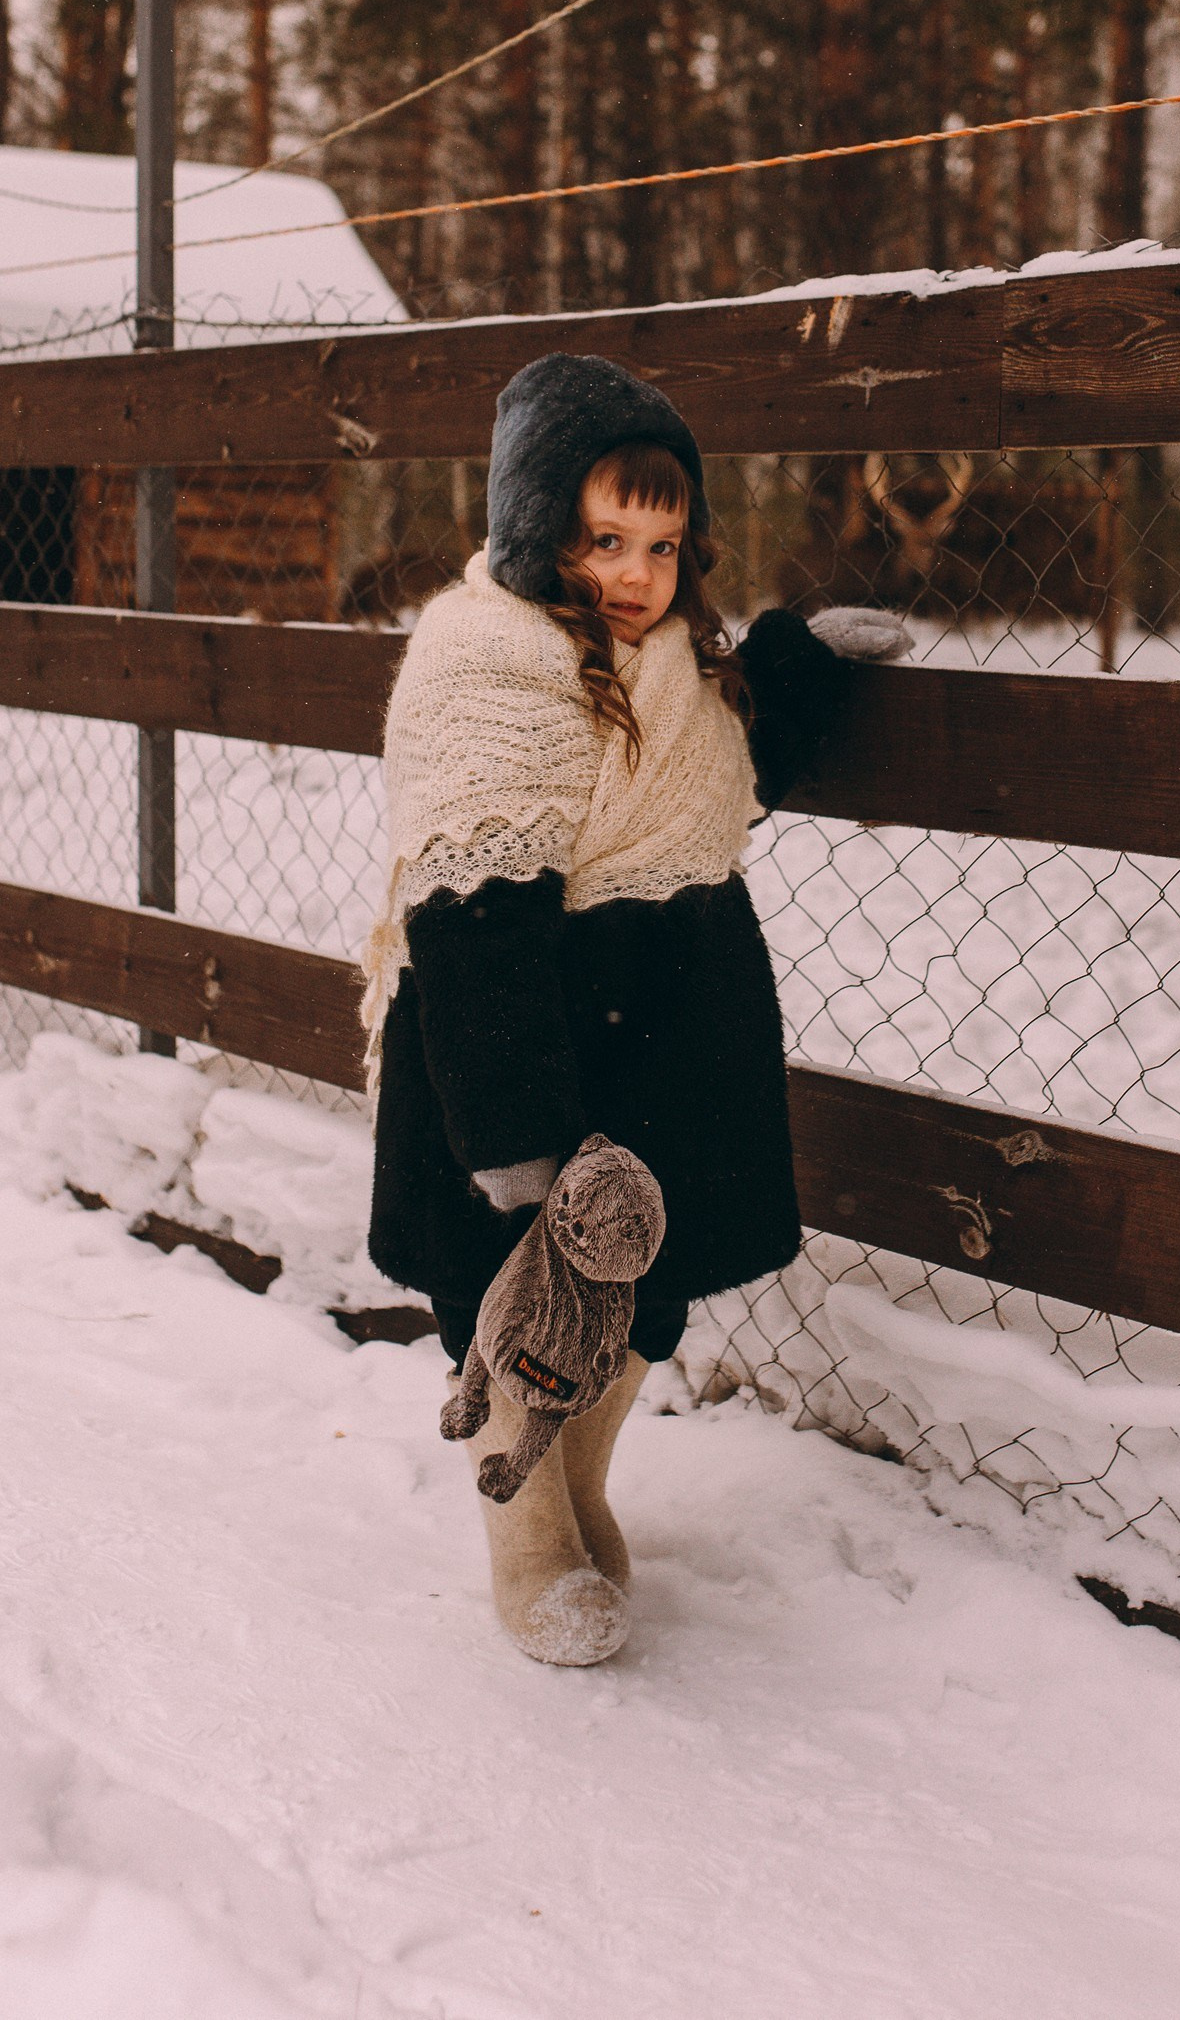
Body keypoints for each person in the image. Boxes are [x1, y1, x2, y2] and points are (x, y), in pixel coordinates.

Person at [361, 352, 908, 1666]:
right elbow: (473, 924)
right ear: (527, 524)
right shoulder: (485, 668)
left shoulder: (674, 660)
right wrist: (522, 1138)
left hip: (668, 1045)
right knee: (525, 1301)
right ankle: (527, 1525)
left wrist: (789, 661)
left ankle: (584, 1481)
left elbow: (724, 767)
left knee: (641, 1304)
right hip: (535, 1052)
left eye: (661, 542)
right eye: (600, 536)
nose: (633, 571)